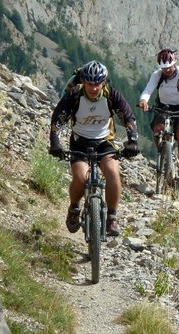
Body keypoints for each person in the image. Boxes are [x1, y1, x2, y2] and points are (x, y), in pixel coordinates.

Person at [49, 60, 139, 236]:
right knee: (81, 178)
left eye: (97, 83)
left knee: (113, 172)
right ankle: (74, 207)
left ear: (103, 82)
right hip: (79, 141)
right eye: (90, 83)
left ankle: (112, 217)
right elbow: (58, 120)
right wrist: (55, 142)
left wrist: (133, 141)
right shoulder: (74, 95)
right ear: (83, 81)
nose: (94, 88)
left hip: (105, 141)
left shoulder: (112, 95)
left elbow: (128, 118)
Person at [137, 48, 179, 183]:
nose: (166, 71)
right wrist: (143, 100)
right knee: (157, 129)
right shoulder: (157, 74)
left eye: (169, 68)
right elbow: (148, 90)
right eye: (163, 68)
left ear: (175, 63)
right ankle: (163, 154)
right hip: (164, 106)